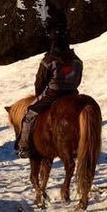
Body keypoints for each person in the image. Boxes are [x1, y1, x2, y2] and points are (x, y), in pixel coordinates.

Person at [15, 30, 83, 158]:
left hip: (53, 94)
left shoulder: (49, 60)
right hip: (73, 94)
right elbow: (78, 79)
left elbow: (40, 82)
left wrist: (39, 95)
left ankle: (24, 147)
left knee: (30, 112)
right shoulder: (77, 61)